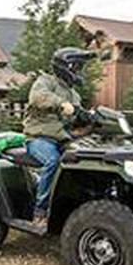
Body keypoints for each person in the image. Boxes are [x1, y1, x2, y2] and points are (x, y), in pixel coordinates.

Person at [22, 47, 94, 227]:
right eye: (77, 67)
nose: (79, 72)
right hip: (38, 138)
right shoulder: (45, 81)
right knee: (52, 161)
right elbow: (38, 97)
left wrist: (90, 117)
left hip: (63, 140)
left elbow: (77, 116)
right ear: (65, 66)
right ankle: (40, 211)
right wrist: (61, 103)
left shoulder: (74, 94)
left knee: (87, 158)